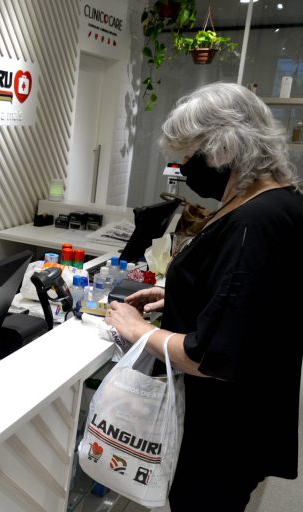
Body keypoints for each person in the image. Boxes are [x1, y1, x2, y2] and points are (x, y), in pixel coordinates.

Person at [106, 82, 303, 511]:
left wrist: (137, 330)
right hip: (250, 416)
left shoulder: (254, 222)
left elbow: (209, 357)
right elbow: (256, 302)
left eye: (191, 153)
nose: (184, 167)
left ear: (225, 147)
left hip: (224, 430)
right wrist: (183, 295)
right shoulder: (278, 201)